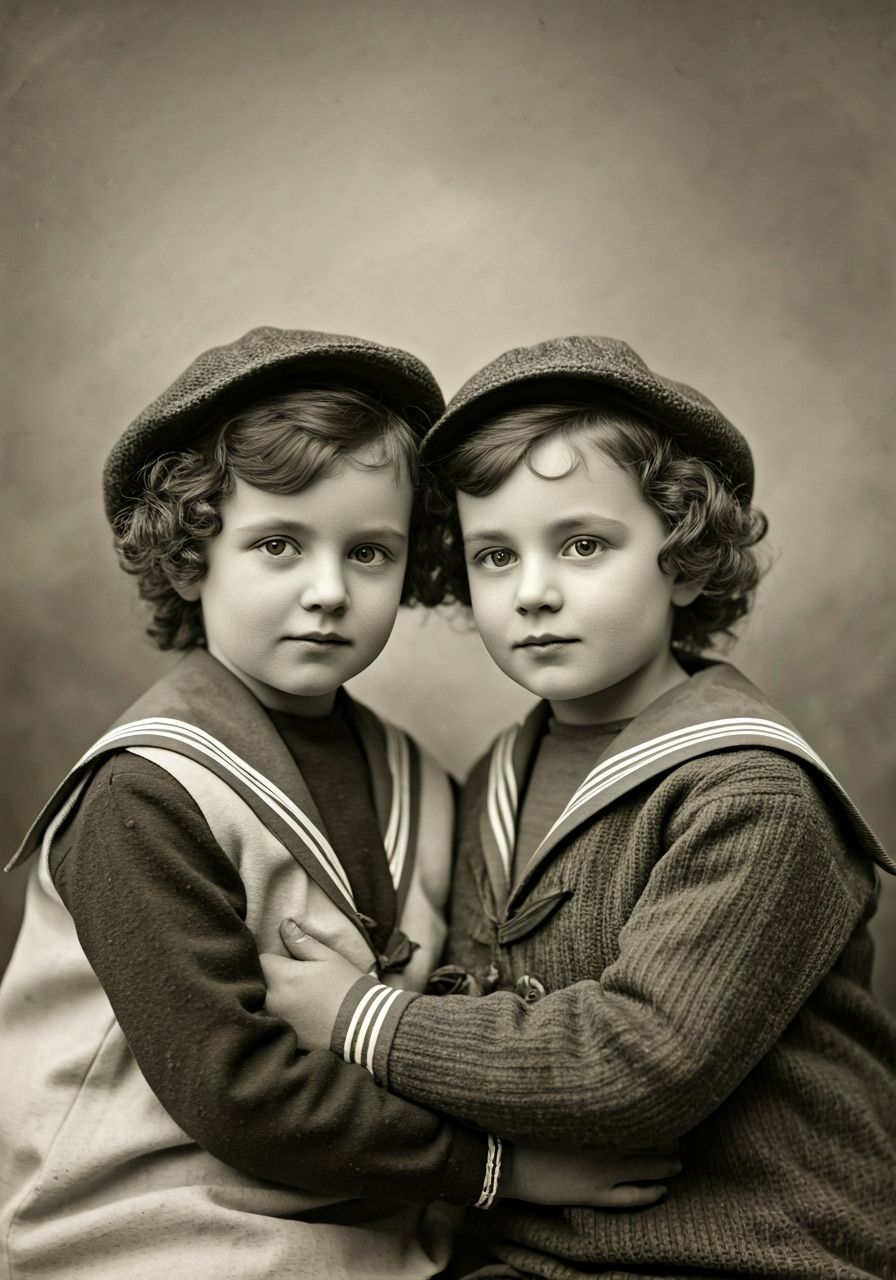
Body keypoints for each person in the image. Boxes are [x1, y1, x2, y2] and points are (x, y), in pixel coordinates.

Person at [0, 328, 677, 1280]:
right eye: (278, 544)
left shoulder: (425, 782)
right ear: (189, 556)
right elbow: (233, 1090)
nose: (328, 591)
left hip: (380, 1245)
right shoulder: (143, 793)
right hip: (156, 1240)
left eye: (368, 553)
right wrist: (501, 1168)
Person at [262, 336, 896, 1280]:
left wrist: (362, 1019)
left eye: (584, 545)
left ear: (684, 561)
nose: (534, 593)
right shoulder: (494, 777)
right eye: (494, 556)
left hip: (742, 1259)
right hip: (517, 1252)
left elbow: (643, 1065)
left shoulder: (752, 793)